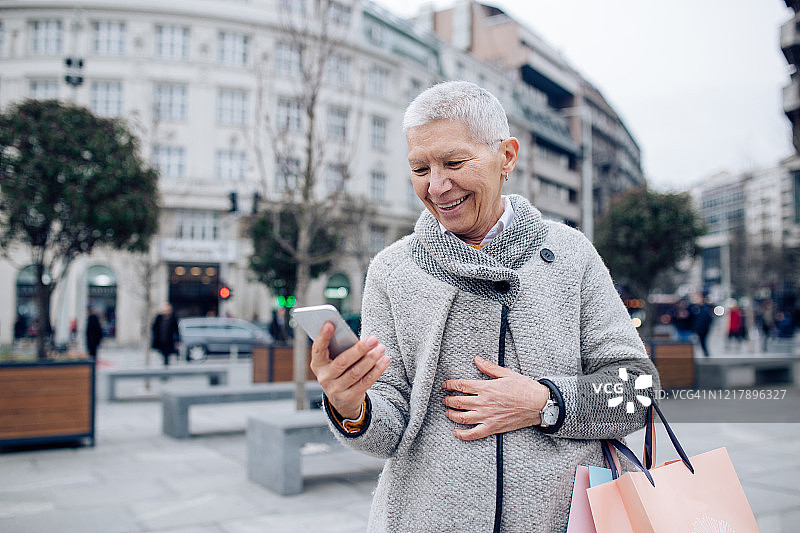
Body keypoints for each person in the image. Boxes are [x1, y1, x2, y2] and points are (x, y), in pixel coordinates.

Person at [308, 81, 659, 533]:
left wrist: (546, 402)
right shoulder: (391, 271)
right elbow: (389, 427)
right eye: (419, 168)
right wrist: (350, 405)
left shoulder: (571, 254)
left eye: (454, 162)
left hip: (565, 520)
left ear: (506, 157)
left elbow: (638, 394)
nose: (436, 186)